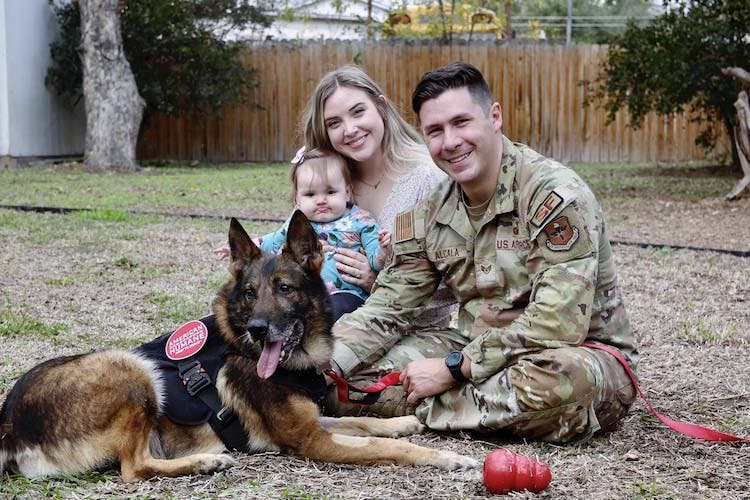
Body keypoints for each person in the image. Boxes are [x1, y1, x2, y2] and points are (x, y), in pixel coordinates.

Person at [328, 62, 639, 443]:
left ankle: (424, 412)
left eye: (461, 122)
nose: (451, 141)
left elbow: (557, 324)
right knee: (347, 384)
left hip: (572, 353)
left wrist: (452, 370)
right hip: (474, 347)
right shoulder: (429, 212)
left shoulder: (553, 196)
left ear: (494, 117)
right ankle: (477, 410)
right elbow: (387, 307)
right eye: (436, 131)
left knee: (566, 381)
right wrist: (321, 365)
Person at [300, 66, 459, 415]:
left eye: (358, 112)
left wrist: (379, 281)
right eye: (334, 122)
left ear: (381, 107)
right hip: (329, 314)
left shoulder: (427, 179)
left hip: (410, 325)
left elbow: (455, 281)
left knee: (338, 393)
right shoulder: (330, 181)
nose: (350, 129)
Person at [216, 149, 388, 321]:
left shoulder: (361, 220)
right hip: (298, 295)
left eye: (330, 192)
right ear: (297, 198)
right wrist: (242, 248)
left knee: (332, 313)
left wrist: (383, 251)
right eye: (310, 194)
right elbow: (272, 241)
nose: (321, 200)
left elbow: (375, 257)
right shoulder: (298, 222)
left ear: (348, 192)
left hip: (346, 293)